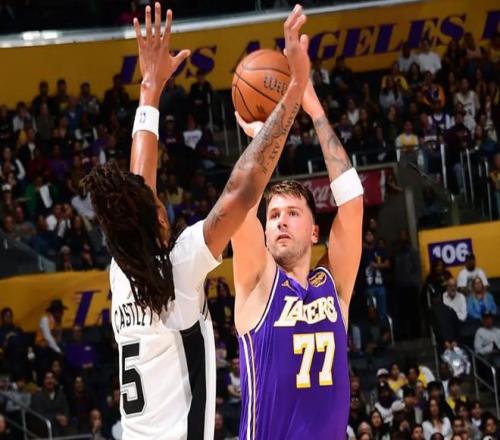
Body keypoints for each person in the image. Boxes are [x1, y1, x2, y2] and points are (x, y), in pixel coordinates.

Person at [82, 4, 311, 439]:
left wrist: (150, 89)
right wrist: (294, 90)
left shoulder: (123, 269)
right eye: (157, 205)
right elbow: (241, 191)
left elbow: (139, 185)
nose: (161, 201)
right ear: (154, 220)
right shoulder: (178, 268)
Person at [232, 25, 363, 439]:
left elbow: (352, 203)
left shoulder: (333, 287)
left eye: (292, 213)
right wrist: (262, 139)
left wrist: (313, 106)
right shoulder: (257, 282)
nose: (281, 221)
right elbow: (240, 202)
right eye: (273, 216)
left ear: (314, 231)